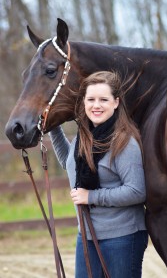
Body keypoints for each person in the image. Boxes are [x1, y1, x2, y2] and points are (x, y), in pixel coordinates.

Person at [49, 71, 148, 278]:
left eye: (104, 99)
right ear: (83, 102)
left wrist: (91, 197)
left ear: (116, 102)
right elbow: (71, 164)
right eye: (91, 99)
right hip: (86, 235)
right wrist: (53, 126)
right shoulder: (85, 135)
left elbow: (137, 191)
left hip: (122, 236)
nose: (96, 105)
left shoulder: (124, 142)